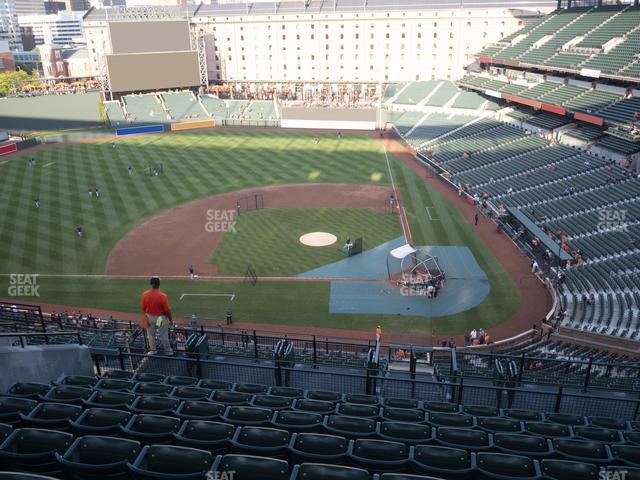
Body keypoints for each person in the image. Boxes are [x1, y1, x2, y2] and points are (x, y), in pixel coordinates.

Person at [140, 276, 173, 355]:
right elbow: (167, 310)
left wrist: (147, 314)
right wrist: (170, 320)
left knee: (151, 335)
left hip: (149, 317)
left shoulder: (145, 294)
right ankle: (168, 351)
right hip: (160, 318)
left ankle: (153, 350)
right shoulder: (162, 296)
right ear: (159, 284)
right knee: (163, 334)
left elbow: (143, 307)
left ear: (151, 284)